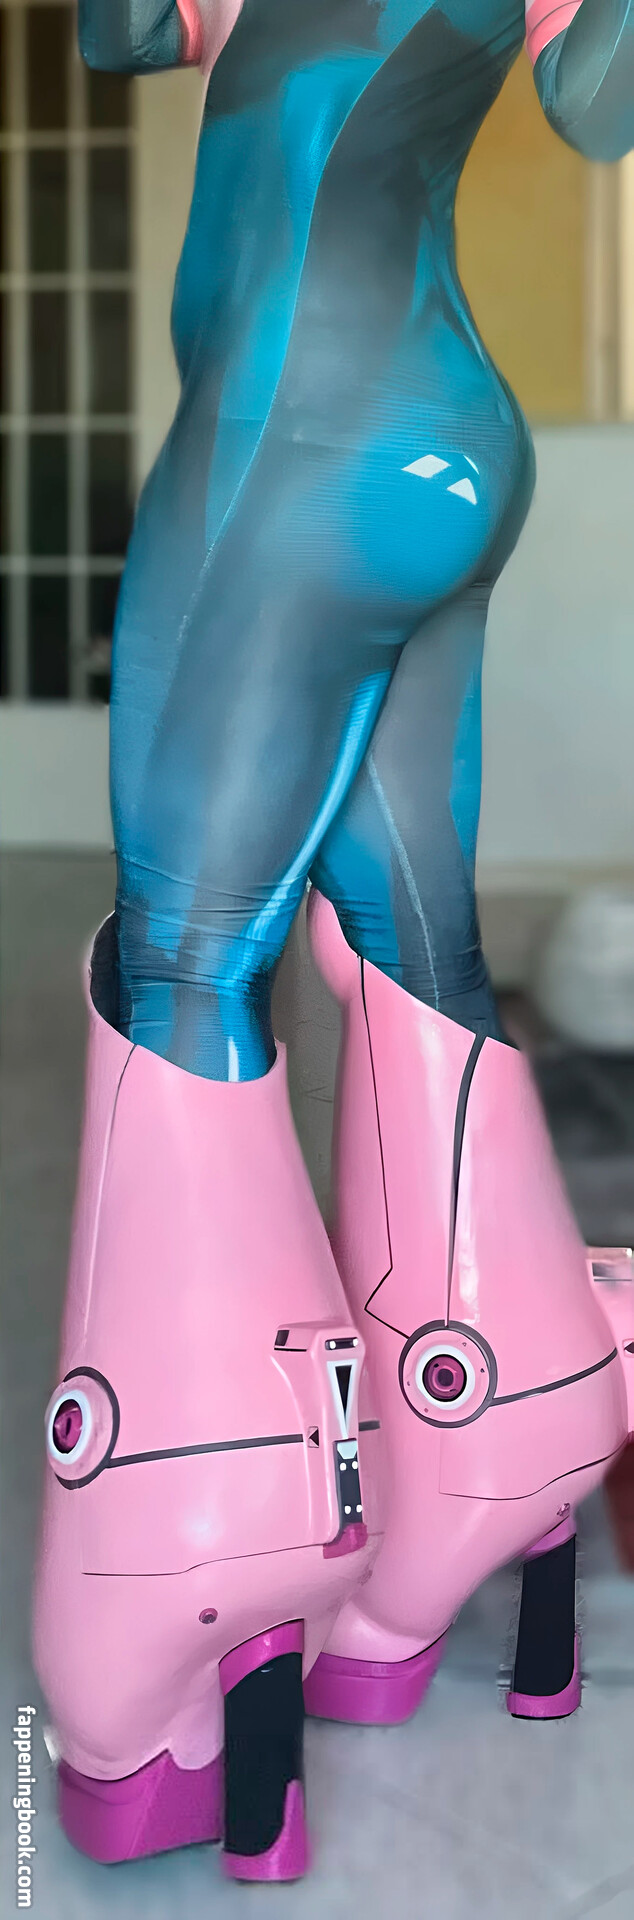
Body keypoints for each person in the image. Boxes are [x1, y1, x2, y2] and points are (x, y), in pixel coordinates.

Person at [34, 0, 634, 1879]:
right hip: (448, 444)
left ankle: (186, 1572)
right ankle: (504, 1437)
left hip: (293, 444)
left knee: (186, 958)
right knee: (406, 938)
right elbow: (598, 106)